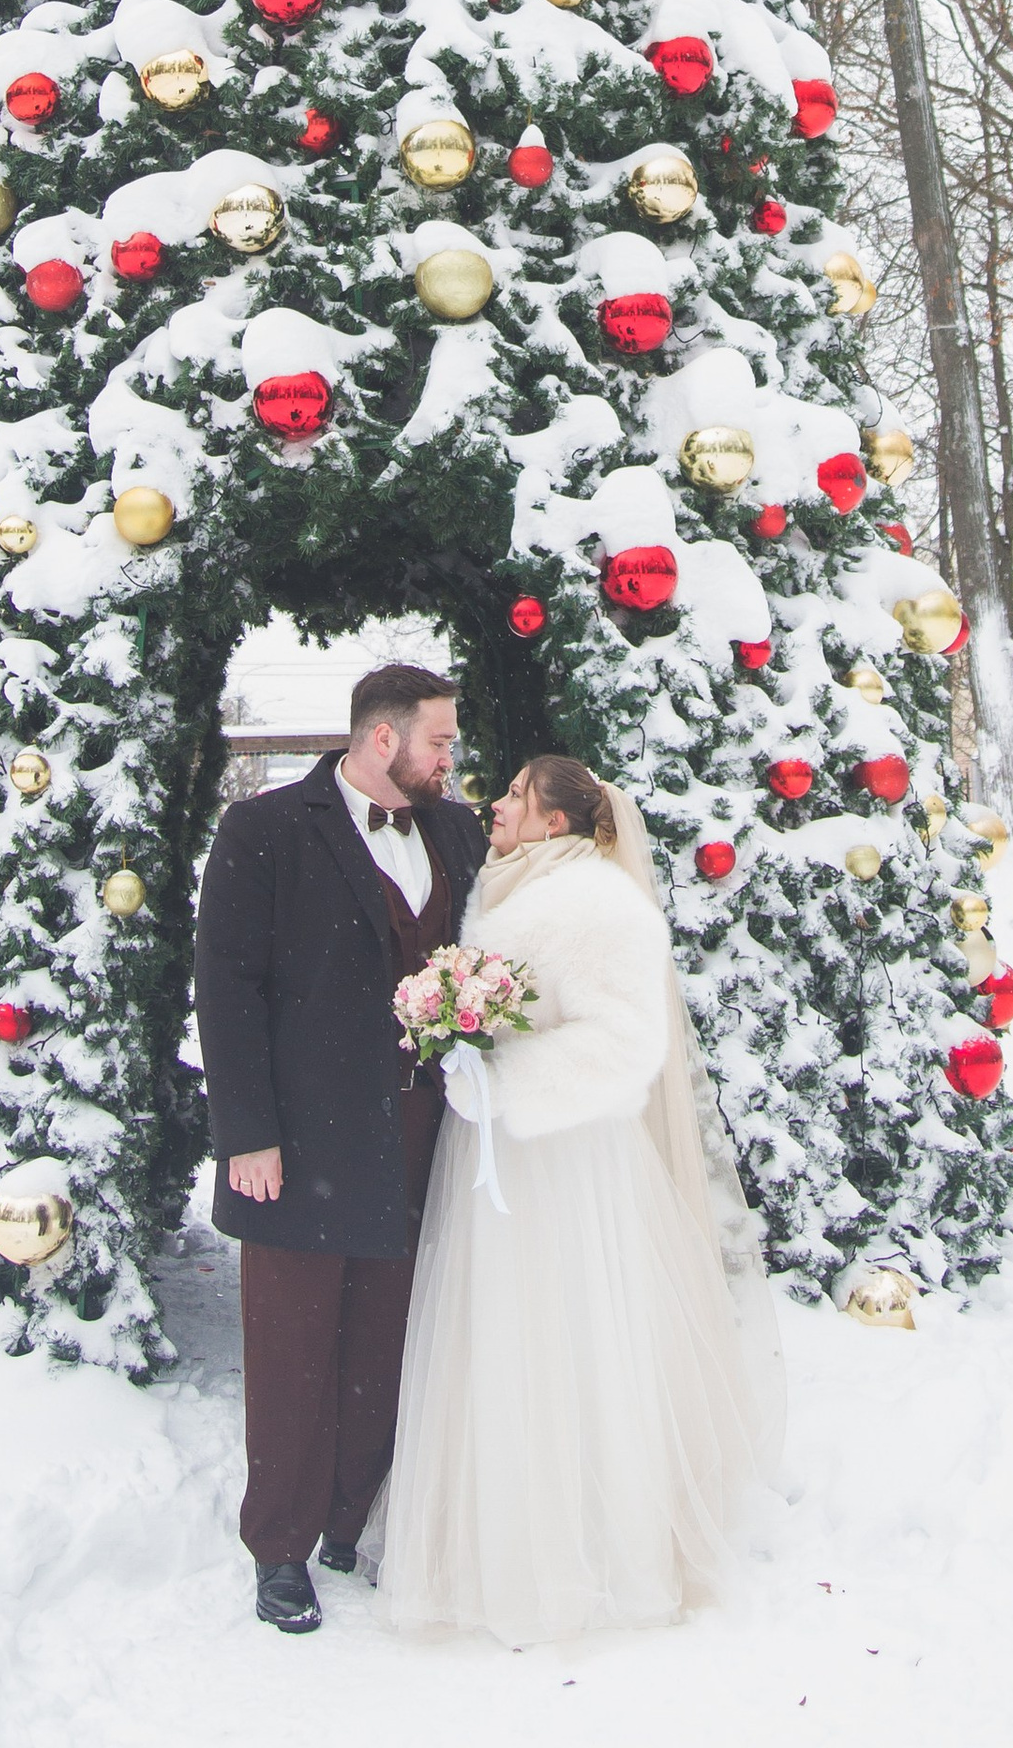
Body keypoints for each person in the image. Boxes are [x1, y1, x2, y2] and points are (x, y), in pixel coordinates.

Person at [379, 753, 785, 1650]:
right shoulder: (507, 889)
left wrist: (504, 1081)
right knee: (504, 1335)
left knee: (574, 1335)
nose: (497, 803)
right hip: (500, 1158)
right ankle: (499, 1543)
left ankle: (597, 1549)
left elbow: (624, 1040)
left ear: (555, 822)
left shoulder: (597, 903)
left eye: (516, 795)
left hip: (568, 1160)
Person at [193, 661, 485, 1634]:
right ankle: (279, 1547)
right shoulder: (264, 830)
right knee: (292, 1346)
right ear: (382, 738)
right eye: (438, 742)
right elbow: (225, 988)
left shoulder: (456, 832)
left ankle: (353, 1519)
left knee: (386, 1338)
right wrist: (247, 1135)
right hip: (298, 1144)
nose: (449, 760)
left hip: (423, 1132)